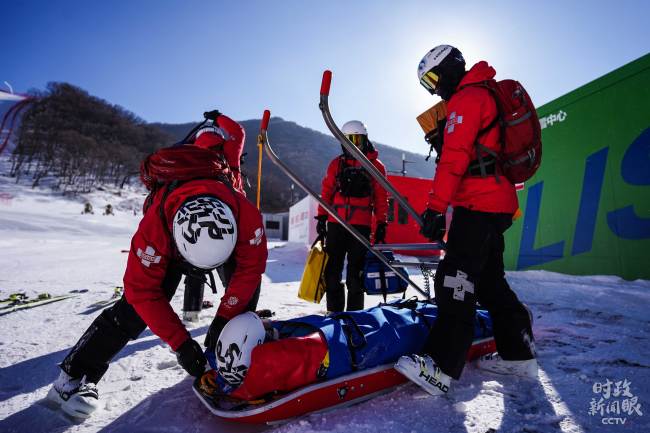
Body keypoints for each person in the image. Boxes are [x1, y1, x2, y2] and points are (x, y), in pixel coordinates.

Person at [47, 137, 268, 418]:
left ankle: (231, 360)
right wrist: (182, 344)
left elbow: (250, 270)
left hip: (222, 241)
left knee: (245, 297)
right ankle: (71, 378)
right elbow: (142, 292)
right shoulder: (155, 228)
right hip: (170, 245)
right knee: (130, 312)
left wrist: (226, 315)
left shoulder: (247, 216)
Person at [395, 45, 537, 396]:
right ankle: (519, 355)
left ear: (449, 69)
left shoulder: (467, 98)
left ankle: (440, 368)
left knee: (454, 279)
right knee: (489, 281)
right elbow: (472, 150)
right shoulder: (483, 92)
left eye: (433, 78)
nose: (433, 88)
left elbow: (455, 160)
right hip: (497, 202)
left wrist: (434, 207)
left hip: (478, 204)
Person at [315, 120, 388, 313]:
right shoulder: (336, 164)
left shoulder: (376, 167)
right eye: (350, 140)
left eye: (358, 140)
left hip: (360, 227)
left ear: (365, 140)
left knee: (355, 276)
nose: (354, 145)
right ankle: (335, 313)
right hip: (336, 225)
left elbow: (381, 197)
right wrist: (321, 218)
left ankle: (355, 316)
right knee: (331, 273)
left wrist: (381, 223)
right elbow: (327, 192)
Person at [193, 110, 247, 194]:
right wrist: (218, 117)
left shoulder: (190, 154)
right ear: (219, 134)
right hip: (231, 193)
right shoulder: (229, 149)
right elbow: (238, 132)